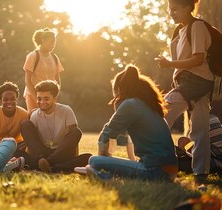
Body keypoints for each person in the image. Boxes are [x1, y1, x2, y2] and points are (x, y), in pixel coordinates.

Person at [155, 0, 214, 185]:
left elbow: (198, 59)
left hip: (197, 82)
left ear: (188, 7)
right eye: (169, 9)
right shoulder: (179, 31)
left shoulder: (197, 26)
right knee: (200, 129)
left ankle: (157, 163)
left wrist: (169, 64)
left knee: (159, 114)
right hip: (193, 83)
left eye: (175, 9)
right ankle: (200, 175)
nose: (171, 13)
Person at [84, 66, 178, 181]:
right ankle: (104, 174)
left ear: (119, 89)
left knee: (94, 160)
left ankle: (103, 175)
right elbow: (120, 135)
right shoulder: (149, 105)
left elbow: (106, 134)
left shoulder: (130, 104)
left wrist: (102, 160)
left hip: (155, 171)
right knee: (101, 161)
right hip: (170, 170)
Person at [20, 80, 91, 173]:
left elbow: (73, 138)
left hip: (62, 153)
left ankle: (47, 163)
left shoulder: (66, 111)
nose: (42, 102)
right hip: (42, 153)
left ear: (55, 99)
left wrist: (74, 157)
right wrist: (33, 156)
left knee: (87, 155)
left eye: (46, 99)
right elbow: (33, 143)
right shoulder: (35, 115)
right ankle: (54, 167)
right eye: (39, 98)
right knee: (25, 125)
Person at [22, 28, 65, 111]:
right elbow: (28, 81)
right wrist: (38, 100)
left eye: (54, 42)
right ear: (43, 41)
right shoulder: (33, 56)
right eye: (51, 42)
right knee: (35, 121)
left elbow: (57, 79)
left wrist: (55, 96)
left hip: (49, 98)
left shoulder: (54, 57)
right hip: (33, 96)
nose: (53, 45)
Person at [0, 82, 30, 158]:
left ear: (17, 99)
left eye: (13, 99)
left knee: (23, 155)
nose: (9, 102)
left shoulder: (24, 114)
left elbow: (28, 137)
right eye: (6, 99)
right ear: (0, 100)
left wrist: (25, 144)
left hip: (18, 147)